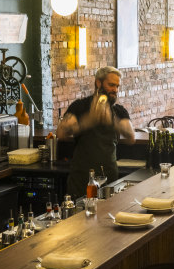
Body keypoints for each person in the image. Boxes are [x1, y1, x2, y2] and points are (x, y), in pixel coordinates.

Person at [57, 66, 135, 197]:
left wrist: (113, 122)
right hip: (82, 178)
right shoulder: (80, 106)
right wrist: (89, 120)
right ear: (98, 83)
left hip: (110, 178)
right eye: (111, 85)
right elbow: (61, 133)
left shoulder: (118, 111)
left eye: (117, 86)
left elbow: (131, 137)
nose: (115, 90)